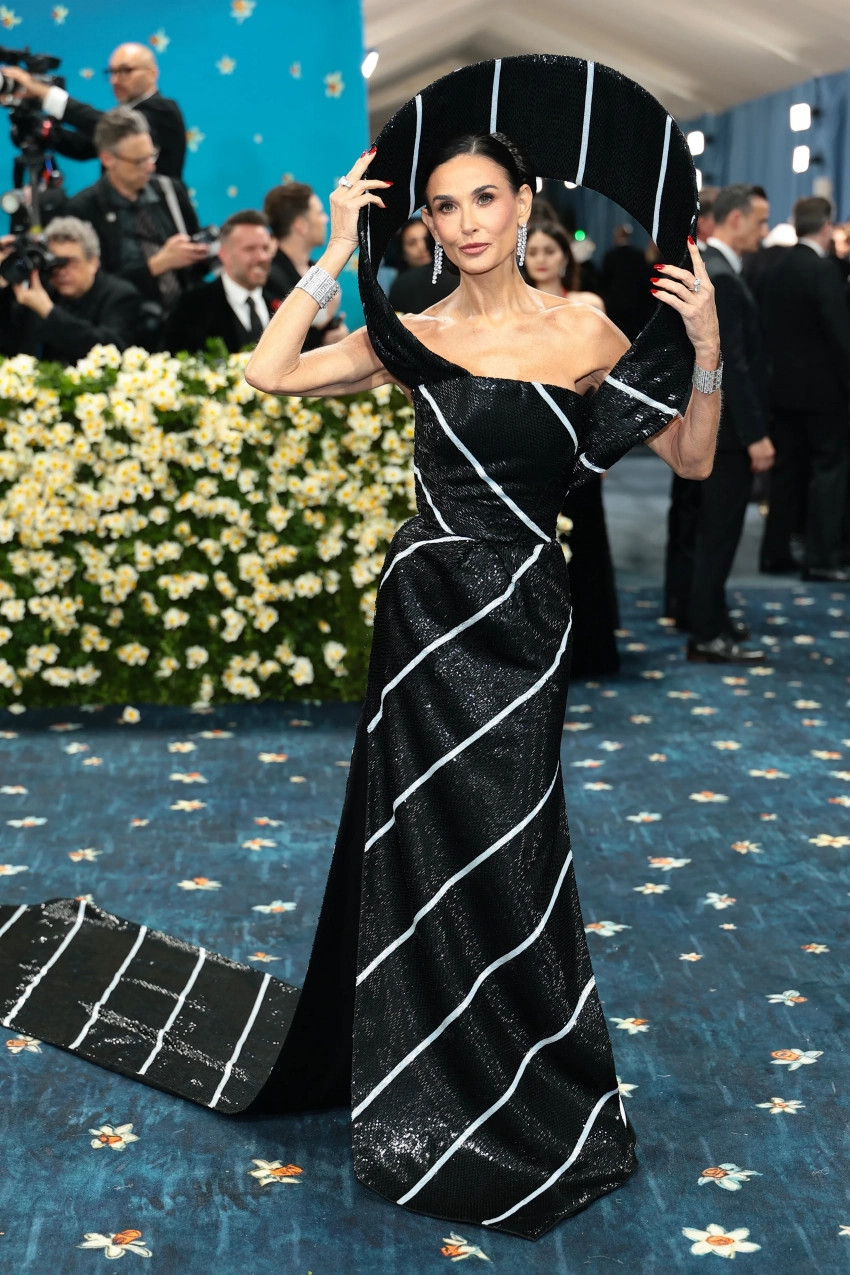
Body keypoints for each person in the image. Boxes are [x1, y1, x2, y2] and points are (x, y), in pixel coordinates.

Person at [0, 58, 720, 1240]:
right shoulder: (412, 333)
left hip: (525, 616)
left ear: (525, 203)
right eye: (442, 206)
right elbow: (268, 371)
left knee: (516, 836)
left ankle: (520, 1067)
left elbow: (689, 457)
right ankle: (424, 1065)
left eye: (483, 199)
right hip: (426, 612)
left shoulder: (587, 327)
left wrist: (703, 344)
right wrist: (335, 252)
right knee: (423, 835)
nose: (466, 223)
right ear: (422, 220)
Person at [682, 184, 772, 662]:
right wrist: (756, 435)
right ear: (735, 220)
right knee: (718, 535)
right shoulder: (721, 277)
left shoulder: (717, 269)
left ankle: (711, 618)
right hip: (728, 433)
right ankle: (706, 634)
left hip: (717, 428)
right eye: (760, 221)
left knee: (711, 531)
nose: (765, 231)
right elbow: (731, 365)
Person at [525, 221, 618, 676]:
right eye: (533, 250)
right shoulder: (513, 312)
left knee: (583, 545)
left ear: (565, 255)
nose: (541, 259)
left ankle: (590, 649)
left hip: (580, 445)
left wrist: (603, 447)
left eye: (549, 250)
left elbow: (609, 390)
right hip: (530, 447)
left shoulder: (588, 306)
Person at [758, 196, 850, 582]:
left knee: (786, 472)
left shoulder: (776, 266)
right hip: (823, 394)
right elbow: (839, 335)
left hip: (782, 390)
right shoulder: (823, 270)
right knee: (828, 472)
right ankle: (822, 558)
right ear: (826, 226)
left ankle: (775, 552)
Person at [64, 108, 207, 314]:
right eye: (139, 161)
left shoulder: (171, 192)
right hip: (124, 322)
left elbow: (199, 267)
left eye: (152, 156)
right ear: (107, 159)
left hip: (186, 317)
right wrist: (157, 265)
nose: (151, 167)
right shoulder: (82, 210)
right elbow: (89, 288)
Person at [1, 42, 187, 179]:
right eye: (112, 72)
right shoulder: (125, 113)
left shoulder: (164, 110)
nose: (115, 80)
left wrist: (42, 92)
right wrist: (38, 125)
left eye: (125, 71)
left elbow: (118, 129)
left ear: (152, 73)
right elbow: (81, 148)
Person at [0, 216, 141, 361]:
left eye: (72, 263)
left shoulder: (120, 296)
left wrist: (49, 311)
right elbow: (9, 342)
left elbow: (109, 350)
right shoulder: (45, 291)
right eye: (55, 263)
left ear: (93, 263)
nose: (62, 272)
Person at [163, 210, 277, 354]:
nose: (262, 257)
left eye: (266, 248)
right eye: (250, 249)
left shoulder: (285, 298)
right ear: (224, 254)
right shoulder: (191, 308)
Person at [263, 182, 346, 347]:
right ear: (300, 225)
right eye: (319, 213)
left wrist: (336, 333)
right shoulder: (269, 277)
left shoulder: (315, 268)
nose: (325, 219)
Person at [524, 221, 605, 310]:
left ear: (565, 258)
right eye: (532, 253)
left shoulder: (589, 305)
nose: (540, 260)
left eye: (549, 252)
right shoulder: (517, 308)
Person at [388, 216, 458, 312]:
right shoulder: (399, 288)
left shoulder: (456, 280)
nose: (422, 247)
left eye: (426, 240)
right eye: (412, 243)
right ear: (402, 251)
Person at [600, 223, 653, 341]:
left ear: (617, 236)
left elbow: (604, 282)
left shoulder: (610, 255)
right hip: (635, 305)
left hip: (614, 305)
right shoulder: (638, 255)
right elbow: (644, 281)